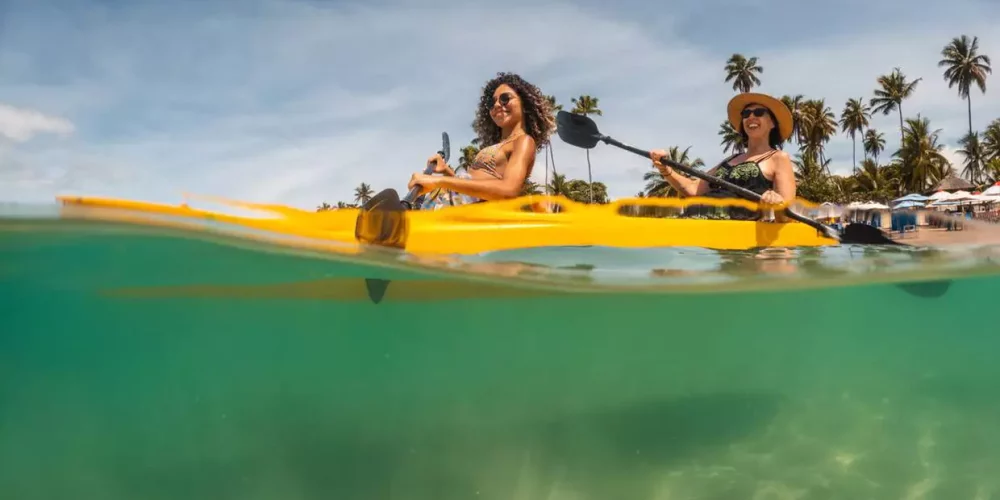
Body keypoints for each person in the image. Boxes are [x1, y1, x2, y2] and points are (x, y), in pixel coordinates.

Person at [407, 72, 555, 209]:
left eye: (505, 98)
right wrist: (446, 172)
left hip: (458, 215)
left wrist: (438, 182)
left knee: (388, 206)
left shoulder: (523, 141)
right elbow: (470, 193)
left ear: (525, 103)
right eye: (492, 103)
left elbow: (508, 190)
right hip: (445, 205)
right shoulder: (498, 145)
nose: (497, 105)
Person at [649, 92, 797, 220]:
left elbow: (787, 217)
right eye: (746, 114)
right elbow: (693, 189)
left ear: (772, 123)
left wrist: (778, 202)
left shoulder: (778, 158)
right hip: (692, 221)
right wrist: (665, 168)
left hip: (732, 235)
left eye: (758, 113)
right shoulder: (730, 160)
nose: (751, 117)